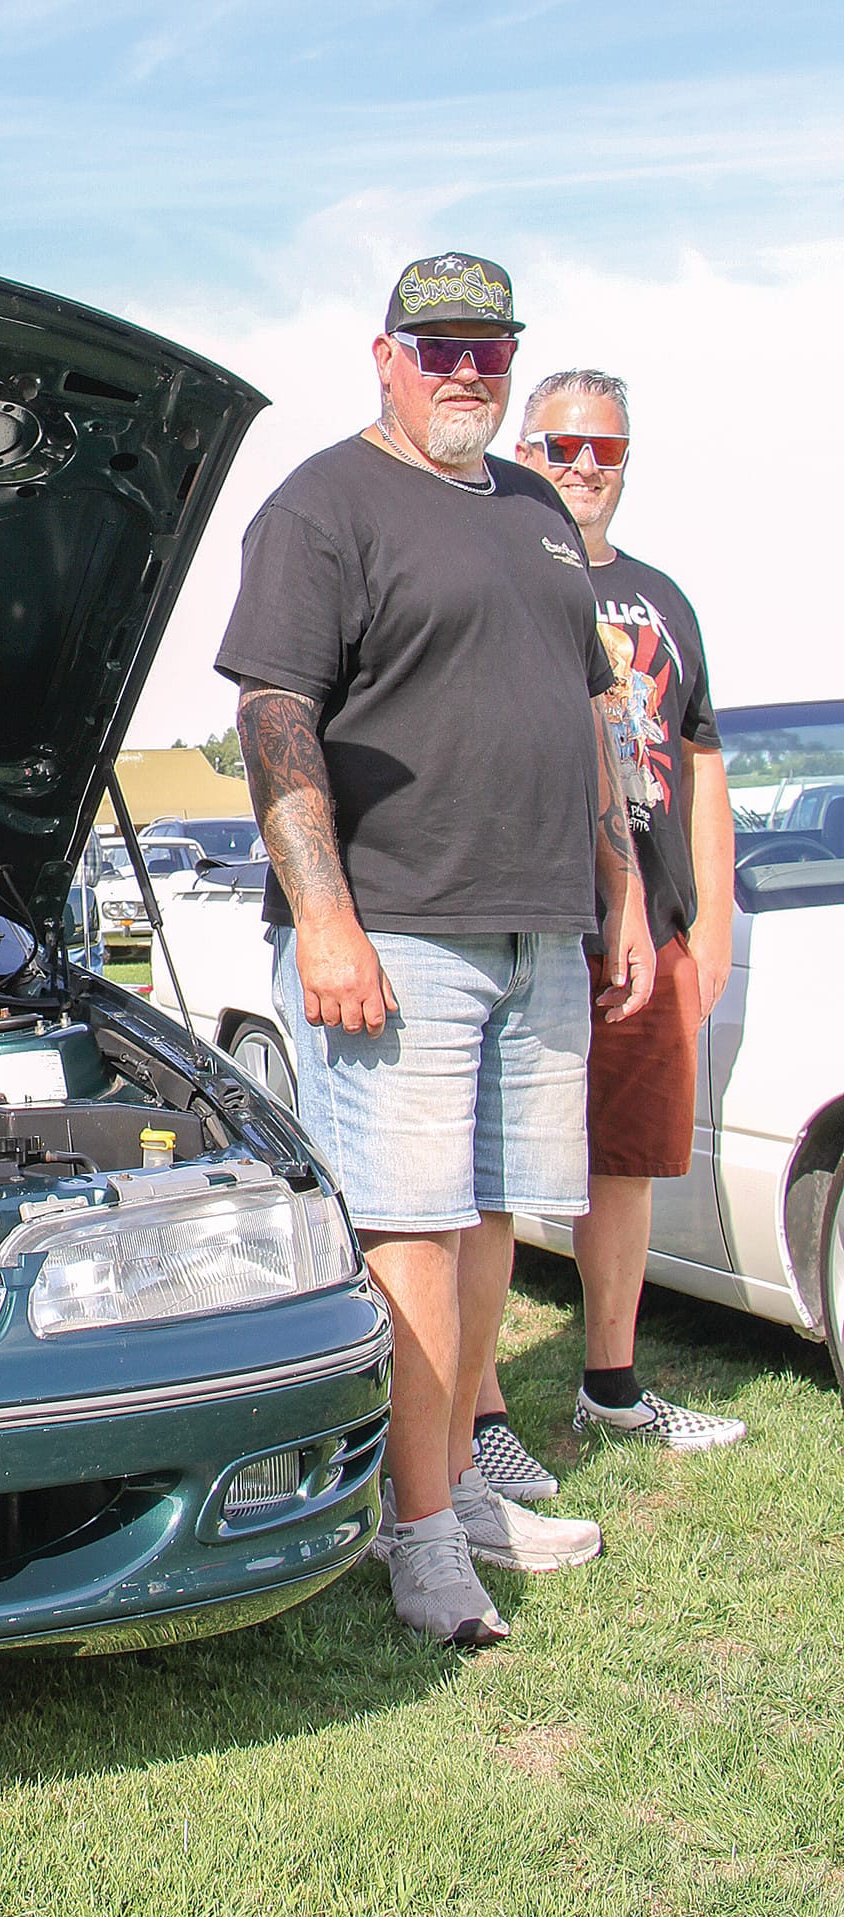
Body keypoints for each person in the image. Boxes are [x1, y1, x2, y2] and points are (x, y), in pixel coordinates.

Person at [217, 254, 655, 1645]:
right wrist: (330, 919)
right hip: (396, 934)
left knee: (487, 1221)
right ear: (385, 353)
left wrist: (623, 886)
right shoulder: (323, 503)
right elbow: (277, 718)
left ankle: (456, 1479)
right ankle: (413, 1541)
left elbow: (588, 711)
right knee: (406, 1229)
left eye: (490, 346)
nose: (469, 369)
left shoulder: (533, 508)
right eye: (441, 345)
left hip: (540, 923)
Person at [461, 371, 745, 1502]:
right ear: (524, 448)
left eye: (605, 449)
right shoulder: (496, 570)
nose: (583, 465)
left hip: (651, 929)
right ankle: (476, 1411)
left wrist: (710, 926)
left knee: (620, 1168)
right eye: (562, 443)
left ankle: (611, 1388)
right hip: (532, 914)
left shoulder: (661, 598)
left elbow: (705, 757)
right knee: (479, 1174)